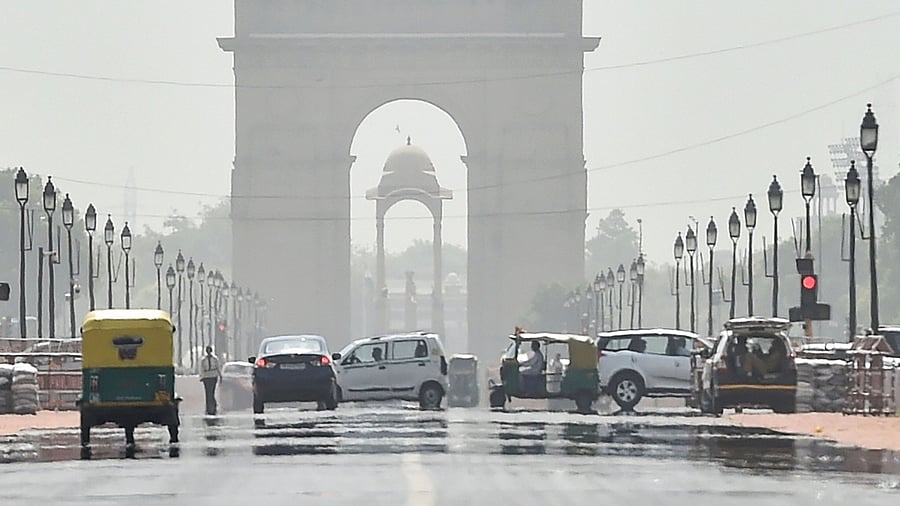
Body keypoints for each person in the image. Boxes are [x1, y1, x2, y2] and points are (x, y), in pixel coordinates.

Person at [199, 346, 222, 415]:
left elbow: (218, 367)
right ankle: (208, 406)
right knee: (207, 392)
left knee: (211, 391)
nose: (208, 352)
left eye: (209, 350)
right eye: (207, 351)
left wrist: (220, 376)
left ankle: (213, 405)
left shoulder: (215, 359)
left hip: (213, 375)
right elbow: (202, 369)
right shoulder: (203, 359)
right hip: (206, 376)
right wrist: (201, 377)